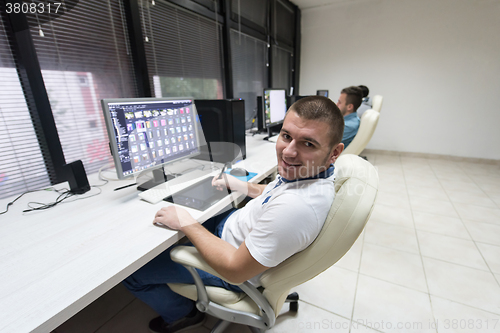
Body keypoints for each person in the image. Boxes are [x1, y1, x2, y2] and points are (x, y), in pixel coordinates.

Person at [123, 96, 345, 333]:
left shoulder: (296, 208)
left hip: (232, 265)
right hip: (233, 229)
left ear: (334, 153)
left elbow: (235, 270)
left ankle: (183, 315)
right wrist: (240, 185)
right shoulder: (310, 175)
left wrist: (187, 223)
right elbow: (273, 192)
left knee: (133, 273)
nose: (288, 153)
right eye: (286, 136)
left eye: (308, 144)